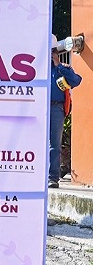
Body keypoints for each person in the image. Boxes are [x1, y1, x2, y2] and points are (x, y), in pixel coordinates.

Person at [50, 40, 81, 188]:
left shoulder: (62, 68)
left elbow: (76, 81)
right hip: (38, 107)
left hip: (56, 108)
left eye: (53, 52)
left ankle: (52, 178)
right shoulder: (35, 67)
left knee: (54, 144)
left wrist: (59, 65)